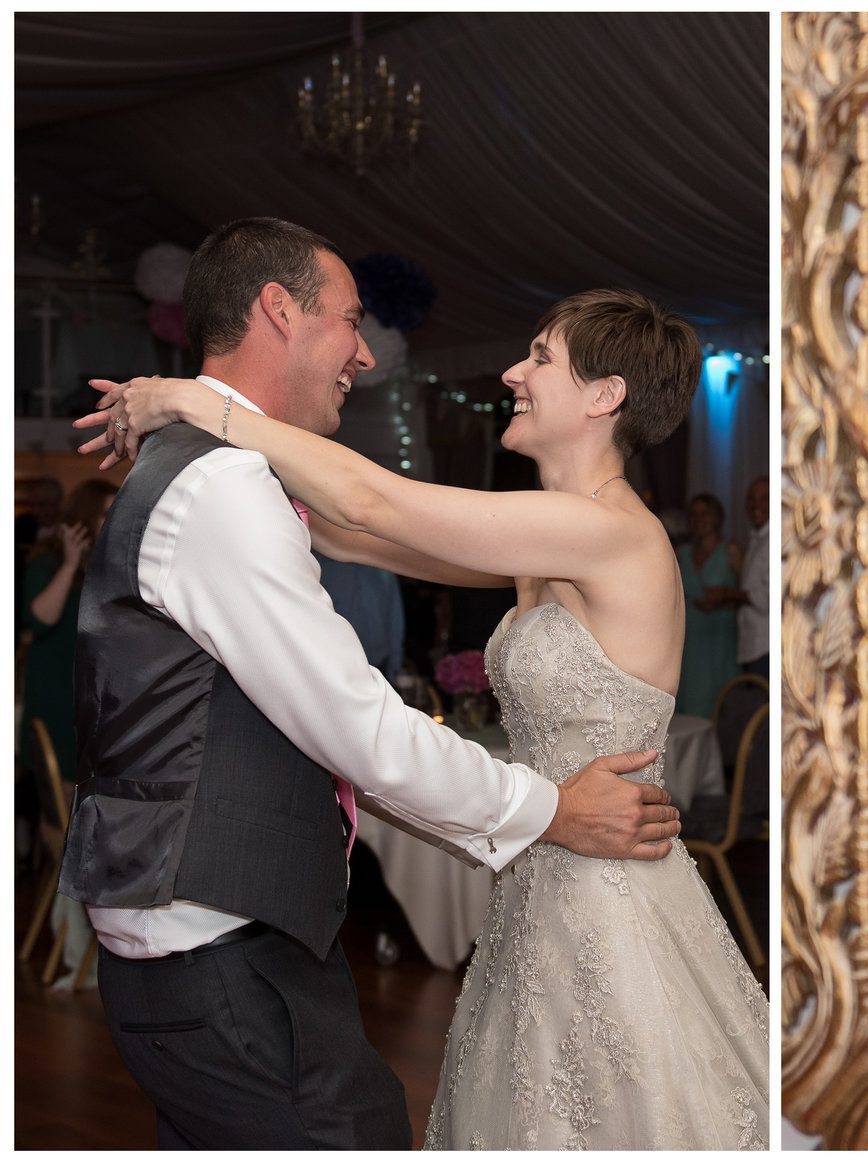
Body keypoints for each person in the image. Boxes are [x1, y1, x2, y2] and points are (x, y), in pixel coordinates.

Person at [81, 220, 759, 1149]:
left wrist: (198, 404)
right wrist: (203, 431)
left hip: (607, 876)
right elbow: (352, 531)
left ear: (606, 394)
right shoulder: (546, 531)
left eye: (541, 358)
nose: (514, 373)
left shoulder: (612, 533)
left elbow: (371, 502)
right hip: (542, 874)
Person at [19, 479, 116, 770]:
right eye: (105, 513)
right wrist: (70, 564)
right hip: (56, 692)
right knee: (58, 795)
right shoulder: (48, 559)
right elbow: (40, 619)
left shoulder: (109, 562)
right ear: (86, 516)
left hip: (94, 694)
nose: (115, 519)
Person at [676, 492, 742, 717]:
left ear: (717, 517)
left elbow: (750, 598)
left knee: (722, 709)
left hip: (719, 642)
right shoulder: (681, 553)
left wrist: (724, 599)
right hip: (689, 643)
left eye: (705, 514)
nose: (698, 519)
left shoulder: (731, 551)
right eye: (693, 515)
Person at [735, 475, 770, 679]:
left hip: (765, 643)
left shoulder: (774, 538)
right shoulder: (757, 538)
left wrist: (729, 595)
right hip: (751, 641)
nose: (755, 504)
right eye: (751, 498)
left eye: (764, 498)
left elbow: (767, 598)